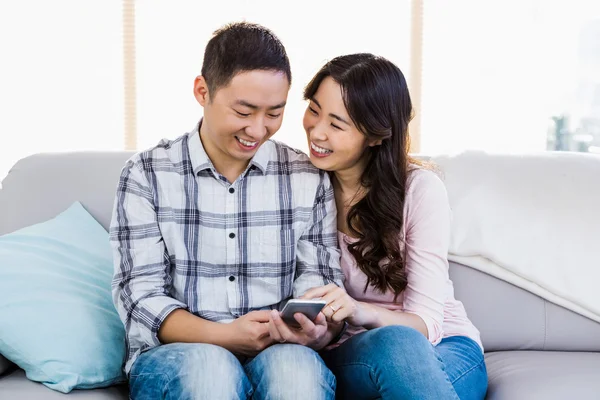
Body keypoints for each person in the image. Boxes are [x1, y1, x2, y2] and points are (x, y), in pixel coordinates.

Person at [109, 22, 345, 400]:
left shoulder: (307, 176)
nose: (258, 128)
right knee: (211, 371)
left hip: (278, 350)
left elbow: (321, 281)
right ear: (203, 91)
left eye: (274, 113)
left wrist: (319, 330)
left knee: (296, 376)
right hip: (179, 353)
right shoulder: (147, 173)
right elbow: (140, 296)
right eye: (244, 111)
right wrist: (224, 336)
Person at [300, 53, 488, 400]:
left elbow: (427, 323)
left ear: (374, 136)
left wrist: (360, 311)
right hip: (356, 353)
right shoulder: (300, 183)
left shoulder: (419, 190)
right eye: (314, 109)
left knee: (402, 347)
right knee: (395, 349)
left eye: (337, 124)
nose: (317, 131)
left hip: (445, 345)